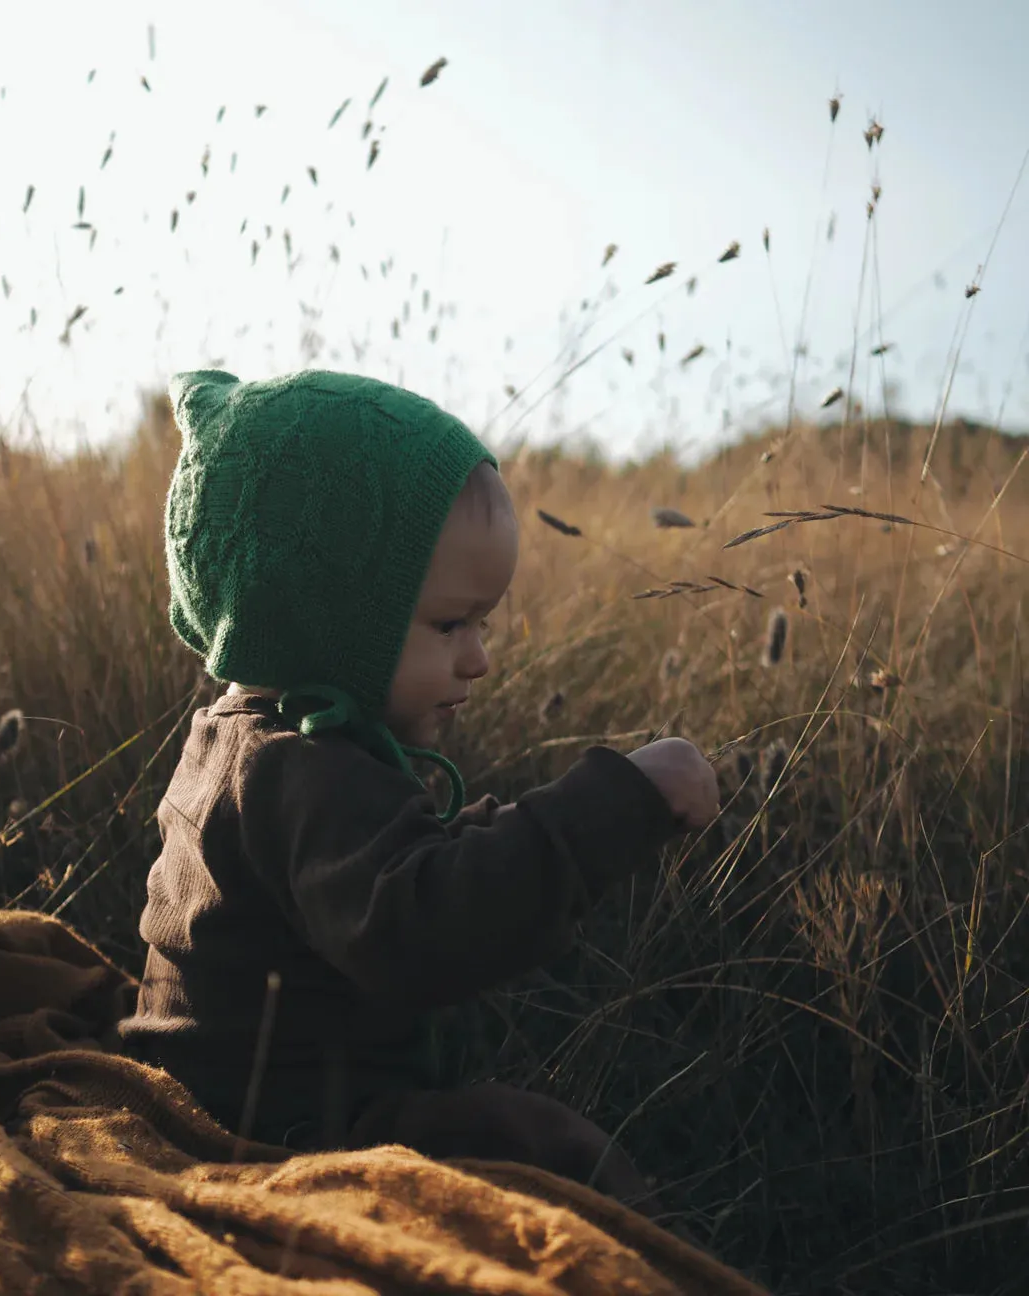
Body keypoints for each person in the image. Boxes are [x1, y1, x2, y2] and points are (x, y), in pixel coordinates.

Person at [119, 369, 720, 1212]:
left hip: (209, 1095)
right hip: (280, 1131)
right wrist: (621, 802)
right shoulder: (299, 766)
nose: (478, 658)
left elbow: (371, 877)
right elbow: (422, 932)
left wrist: (469, 839)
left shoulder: (244, 730)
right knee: (553, 1161)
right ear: (320, 611)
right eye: (450, 625)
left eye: (484, 624)